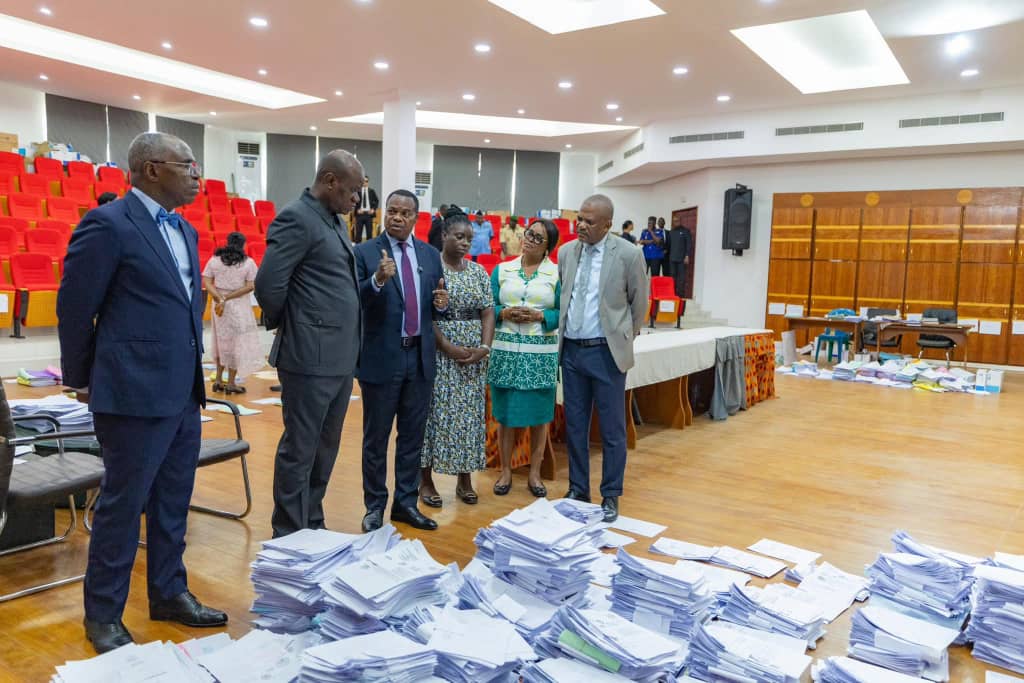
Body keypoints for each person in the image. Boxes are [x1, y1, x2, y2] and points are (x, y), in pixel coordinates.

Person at [57, 132, 226, 654]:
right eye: (187, 165)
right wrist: (81, 379)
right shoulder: (108, 224)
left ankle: (169, 592)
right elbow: (74, 307)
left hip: (182, 391)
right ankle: (103, 614)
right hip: (131, 392)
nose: (197, 175)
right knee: (123, 507)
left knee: (173, 501)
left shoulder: (186, 230)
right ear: (152, 169)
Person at [254, 150, 364, 538]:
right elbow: (268, 285)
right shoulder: (296, 217)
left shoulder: (333, 220)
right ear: (330, 180)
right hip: (308, 357)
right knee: (300, 450)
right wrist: (299, 326)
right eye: (353, 190)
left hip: (338, 358)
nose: (357, 200)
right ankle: (288, 533)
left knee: (324, 449)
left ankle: (312, 524)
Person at [355, 189, 449, 532]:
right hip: (382, 358)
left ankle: (406, 504)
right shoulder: (364, 252)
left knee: (412, 438)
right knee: (376, 439)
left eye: (404, 213)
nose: (397, 217)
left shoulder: (430, 254)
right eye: (392, 211)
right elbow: (355, 299)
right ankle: (374, 506)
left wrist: (441, 304)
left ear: (415, 218)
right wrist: (377, 280)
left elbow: (436, 304)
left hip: (419, 358)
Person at [559, 194, 648, 523]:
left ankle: (610, 495)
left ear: (608, 225)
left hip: (606, 353)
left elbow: (639, 304)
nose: (581, 225)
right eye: (579, 219)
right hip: (571, 351)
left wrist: (624, 338)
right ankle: (578, 489)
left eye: (589, 221)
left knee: (612, 430)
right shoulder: (567, 252)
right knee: (574, 426)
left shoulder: (628, 254)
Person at [418, 211, 495, 506]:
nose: (465, 243)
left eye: (469, 239)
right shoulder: (431, 268)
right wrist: (447, 346)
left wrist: (484, 348)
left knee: (469, 417)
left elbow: (487, 311)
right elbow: (426, 315)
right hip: (440, 353)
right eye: (459, 237)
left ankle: (465, 480)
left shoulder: (478, 271)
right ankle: (426, 481)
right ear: (444, 236)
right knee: (434, 415)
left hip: (473, 357)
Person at [488, 218, 560, 498]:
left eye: (538, 238)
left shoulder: (556, 274)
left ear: (548, 247)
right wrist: (504, 313)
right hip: (505, 352)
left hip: (540, 356)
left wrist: (541, 316)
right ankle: (506, 471)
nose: (529, 239)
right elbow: (488, 308)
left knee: (540, 416)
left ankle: (535, 474)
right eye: (529, 234)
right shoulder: (502, 269)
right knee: (505, 414)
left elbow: (562, 312)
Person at [202, 231, 263, 394]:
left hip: (219, 306)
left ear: (227, 242)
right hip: (238, 306)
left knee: (220, 341)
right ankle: (230, 383)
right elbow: (250, 286)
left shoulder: (215, 260)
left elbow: (207, 281)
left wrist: (219, 297)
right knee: (236, 343)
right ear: (243, 245)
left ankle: (218, 380)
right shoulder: (248, 262)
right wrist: (228, 297)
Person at [665, 213, 693, 298]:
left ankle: (680, 296)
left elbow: (689, 244)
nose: (675, 222)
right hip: (672, 258)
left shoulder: (685, 231)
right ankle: (672, 294)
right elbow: (668, 245)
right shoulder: (671, 232)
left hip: (682, 259)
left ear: (680, 221)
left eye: (677, 221)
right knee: (672, 277)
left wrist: (687, 255)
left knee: (681, 278)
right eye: (674, 221)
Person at [353, 175, 379, 243]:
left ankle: (368, 248)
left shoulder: (371, 191)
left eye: (366, 181)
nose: (365, 182)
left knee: (369, 234)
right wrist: (357, 209)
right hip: (360, 215)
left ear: (368, 182)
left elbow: (376, 201)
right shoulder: (357, 191)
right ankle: (357, 248)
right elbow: (353, 201)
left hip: (368, 215)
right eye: (363, 181)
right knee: (358, 234)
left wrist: (373, 209)